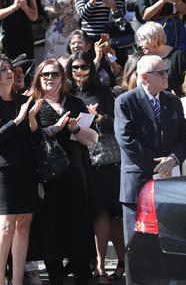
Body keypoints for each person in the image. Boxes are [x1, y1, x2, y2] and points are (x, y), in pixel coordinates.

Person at [30, 59, 98, 285]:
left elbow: (93, 139)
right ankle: (55, 276)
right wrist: (56, 128)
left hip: (75, 173)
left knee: (78, 225)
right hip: (47, 176)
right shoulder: (32, 104)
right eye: (45, 74)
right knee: (50, 227)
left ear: (63, 77)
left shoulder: (75, 103)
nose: (50, 78)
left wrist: (76, 128)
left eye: (55, 74)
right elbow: (28, 140)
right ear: (39, 77)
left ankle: (82, 273)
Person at [0, 55, 41, 285]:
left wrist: (32, 119)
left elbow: (35, 136)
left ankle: (16, 280)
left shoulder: (23, 99)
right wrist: (18, 119)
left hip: (26, 168)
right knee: (5, 226)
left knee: (24, 225)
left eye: (10, 69)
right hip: (3, 170)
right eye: (3, 69)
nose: (10, 73)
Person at [65, 51, 125, 283]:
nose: (79, 72)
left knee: (112, 214)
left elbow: (114, 123)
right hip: (80, 159)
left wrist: (97, 117)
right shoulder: (68, 94)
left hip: (105, 160)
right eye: (75, 68)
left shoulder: (102, 91)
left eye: (84, 67)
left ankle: (117, 263)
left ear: (91, 68)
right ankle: (99, 266)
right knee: (97, 213)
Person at [114, 54, 186, 245]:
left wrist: (173, 159)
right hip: (138, 181)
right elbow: (126, 139)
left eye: (166, 71)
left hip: (169, 181)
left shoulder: (173, 101)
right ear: (144, 77)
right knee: (137, 241)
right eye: (160, 72)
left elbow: (183, 137)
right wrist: (158, 166)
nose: (166, 75)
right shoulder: (125, 101)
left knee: (169, 237)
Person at [135, 21, 186, 96]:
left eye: (142, 40)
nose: (140, 45)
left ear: (155, 38)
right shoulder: (142, 58)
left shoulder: (178, 57)